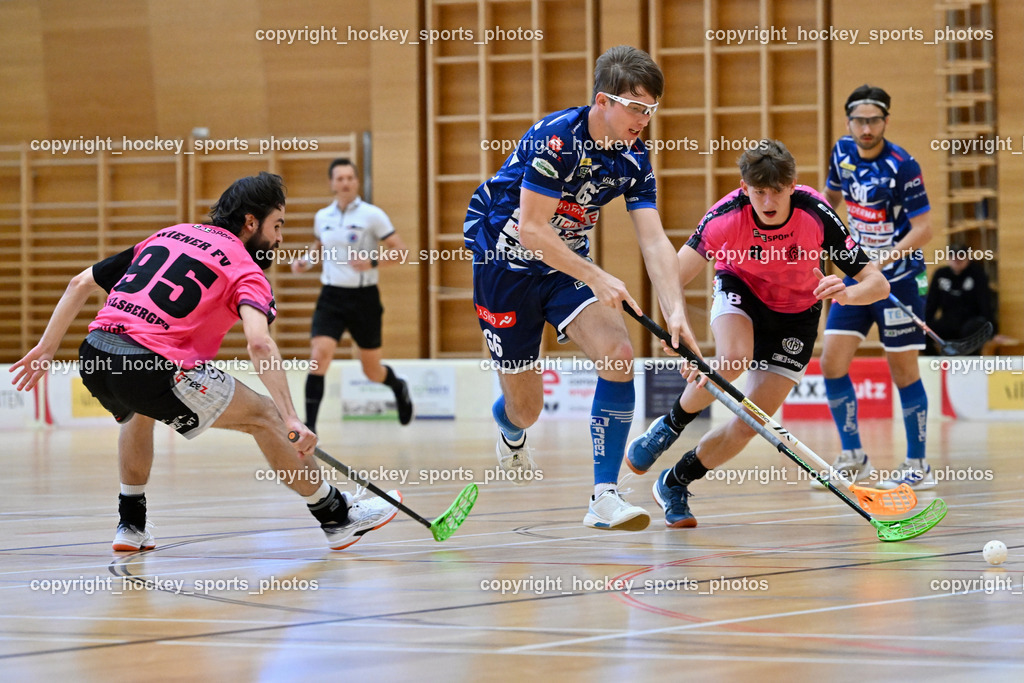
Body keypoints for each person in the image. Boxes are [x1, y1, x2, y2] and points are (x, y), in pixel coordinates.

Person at [9, 172, 400, 552]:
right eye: (277, 225)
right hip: (153, 366)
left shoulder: (172, 234)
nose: (280, 238)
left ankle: (131, 524)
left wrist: (45, 349)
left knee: (138, 411)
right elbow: (259, 344)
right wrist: (291, 419)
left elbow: (80, 283)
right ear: (251, 222)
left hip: (95, 355)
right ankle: (337, 517)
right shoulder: (246, 270)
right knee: (266, 416)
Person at [463, 45, 701, 531]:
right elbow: (532, 230)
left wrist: (675, 310)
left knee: (618, 354)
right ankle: (509, 427)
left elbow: (653, 239)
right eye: (634, 107)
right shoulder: (557, 140)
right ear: (603, 101)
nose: (644, 120)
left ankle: (603, 496)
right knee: (526, 410)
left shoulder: (634, 157)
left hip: (562, 266)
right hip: (503, 265)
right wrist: (596, 275)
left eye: (651, 109)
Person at [625, 140, 889, 527]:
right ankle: (669, 426)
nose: (768, 201)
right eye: (759, 191)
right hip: (742, 291)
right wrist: (677, 323)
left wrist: (848, 294)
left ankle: (675, 482)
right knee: (734, 358)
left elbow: (877, 283)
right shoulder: (726, 217)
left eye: (777, 191)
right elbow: (671, 275)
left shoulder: (815, 213)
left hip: (796, 316)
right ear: (744, 187)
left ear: (793, 185)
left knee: (751, 423)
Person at [819, 85, 936, 490]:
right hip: (856, 277)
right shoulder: (842, 152)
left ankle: (918, 464)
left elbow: (924, 229)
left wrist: (880, 262)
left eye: (873, 121)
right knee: (832, 362)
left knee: (902, 371)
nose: (866, 129)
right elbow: (829, 197)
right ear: (848, 121)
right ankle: (854, 456)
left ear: (885, 121)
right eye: (859, 121)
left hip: (898, 280)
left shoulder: (903, 165)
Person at [291, 158, 413, 430]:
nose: (345, 183)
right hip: (331, 297)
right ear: (332, 183)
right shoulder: (323, 216)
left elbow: (401, 251)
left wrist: (373, 262)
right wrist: (305, 262)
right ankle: (310, 428)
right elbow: (318, 247)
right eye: (340, 178)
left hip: (364, 299)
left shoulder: (372, 215)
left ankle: (398, 386)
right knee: (319, 356)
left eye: (349, 178)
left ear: (356, 182)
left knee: (372, 371)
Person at [925, 242, 993, 354]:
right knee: (923, 330)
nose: (957, 259)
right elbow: (931, 303)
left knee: (975, 329)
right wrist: (925, 323)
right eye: (953, 256)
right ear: (948, 258)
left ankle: (971, 360)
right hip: (947, 321)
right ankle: (935, 359)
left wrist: (993, 331)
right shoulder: (941, 274)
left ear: (968, 258)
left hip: (970, 321)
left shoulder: (977, 274)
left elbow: (985, 302)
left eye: (961, 256)